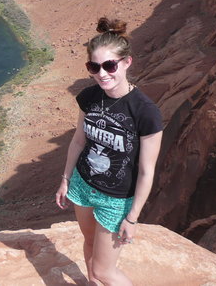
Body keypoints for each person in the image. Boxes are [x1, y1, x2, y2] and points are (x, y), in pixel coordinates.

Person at [55, 17, 163, 286]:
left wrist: (132, 217)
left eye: (109, 65)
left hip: (116, 199)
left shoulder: (145, 112)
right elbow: (79, 141)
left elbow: (147, 172)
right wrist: (66, 179)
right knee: (89, 245)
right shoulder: (89, 97)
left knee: (105, 271)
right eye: (94, 66)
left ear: (127, 62)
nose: (102, 73)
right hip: (82, 185)